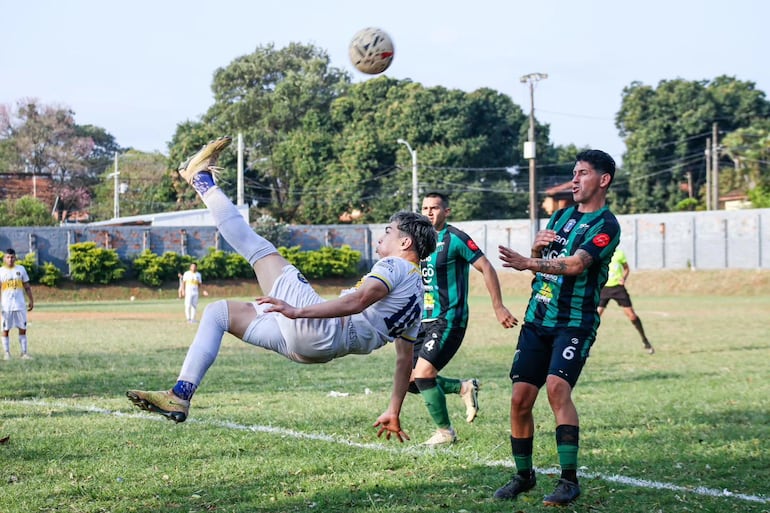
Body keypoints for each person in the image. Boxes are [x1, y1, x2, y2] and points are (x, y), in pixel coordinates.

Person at [127, 136, 437, 443]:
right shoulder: (416, 297)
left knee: (256, 247)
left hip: (319, 328)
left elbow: (359, 300)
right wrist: (394, 410)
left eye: (389, 231)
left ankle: (201, 179)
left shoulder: (396, 266)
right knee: (218, 313)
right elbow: (403, 361)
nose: (383, 235)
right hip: (314, 350)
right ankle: (180, 394)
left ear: (405, 243)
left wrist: (297, 311)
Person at [493, 150, 620, 506]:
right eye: (574, 173)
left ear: (603, 179)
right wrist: (535, 251)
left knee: (556, 388)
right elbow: (544, 267)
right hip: (538, 319)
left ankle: (568, 480)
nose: (575, 180)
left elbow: (577, 265)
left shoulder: (606, 226)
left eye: (582, 173)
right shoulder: (561, 216)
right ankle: (523, 476)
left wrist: (526, 260)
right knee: (519, 399)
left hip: (575, 323)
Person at [411, 192, 518, 446]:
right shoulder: (416, 240)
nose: (428, 212)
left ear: (446, 211)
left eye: (434, 208)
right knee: (410, 381)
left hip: (449, 318)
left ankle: (445, 432)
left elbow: (487, 267)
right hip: (421, 321)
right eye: (425, 207)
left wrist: (499, 306)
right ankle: (463, 387)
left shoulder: (456, 239)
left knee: (424, 375)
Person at [597, 248, 654, 354]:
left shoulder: (619, 254)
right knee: (595, 317)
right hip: (604, 289)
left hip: (618, 288)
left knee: (632, 316)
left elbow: (626, 269)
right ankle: (586, 345)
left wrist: (623, 278)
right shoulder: (602, 252)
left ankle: (645, 340)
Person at [1, 249, 35, 360]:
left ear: (15, 258)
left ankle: (24, 353)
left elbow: (27, 286)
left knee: (22, 328)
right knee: (5, 329)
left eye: (12, 257)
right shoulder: (1, 271)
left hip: (20, 305)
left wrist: (31, 300)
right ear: (4, 258)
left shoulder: (21, 269)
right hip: (6, 306)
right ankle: (6, 353)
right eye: (8, 257)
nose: (10, 259)